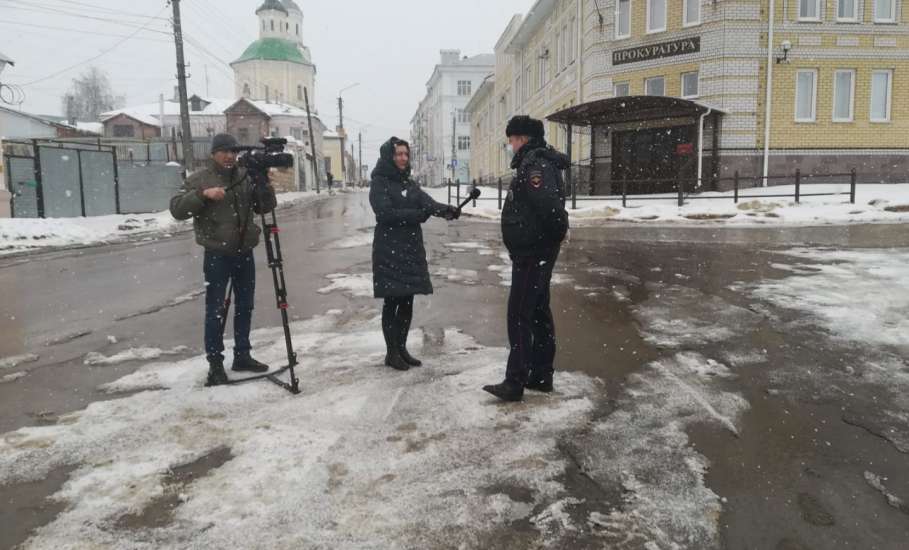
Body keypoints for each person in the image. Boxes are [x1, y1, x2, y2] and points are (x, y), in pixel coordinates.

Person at [169, 134, 278, 387]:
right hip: (217, 254)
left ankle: (242, 355)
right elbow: (177, 210)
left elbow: (265, 207)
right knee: (215, 311)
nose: (230, 156)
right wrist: (203, 195)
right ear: (213, 154)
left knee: (245, 306)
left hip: (244, 252)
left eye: (233, 152)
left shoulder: (245, 176)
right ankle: (215, 364)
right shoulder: (200, 179)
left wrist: (263, 184)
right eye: (224, 151)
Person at [483, 116, 569, 402]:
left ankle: (515, 381)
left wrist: (547, 240)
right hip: (535, 251)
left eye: (511, 139)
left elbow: (551, 209)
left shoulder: (535, 165)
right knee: (538, 311)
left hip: (533, 253)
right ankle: (541, 375)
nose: (510, 144)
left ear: (522, 138)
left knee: (519, 314)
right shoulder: (537, 162)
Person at [369, 137, 460, 371]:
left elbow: (426, 203)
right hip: (389, 248)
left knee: (407, 300)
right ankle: (391, 353)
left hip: (409, 248)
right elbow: (384, 214)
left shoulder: (408, 182)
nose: (402, 158)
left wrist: (445, 210)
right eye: (398, 154)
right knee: (393, 301)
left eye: (405, 154)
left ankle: (402, 348)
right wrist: (416, 215)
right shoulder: (380, 182)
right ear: (390, 156)